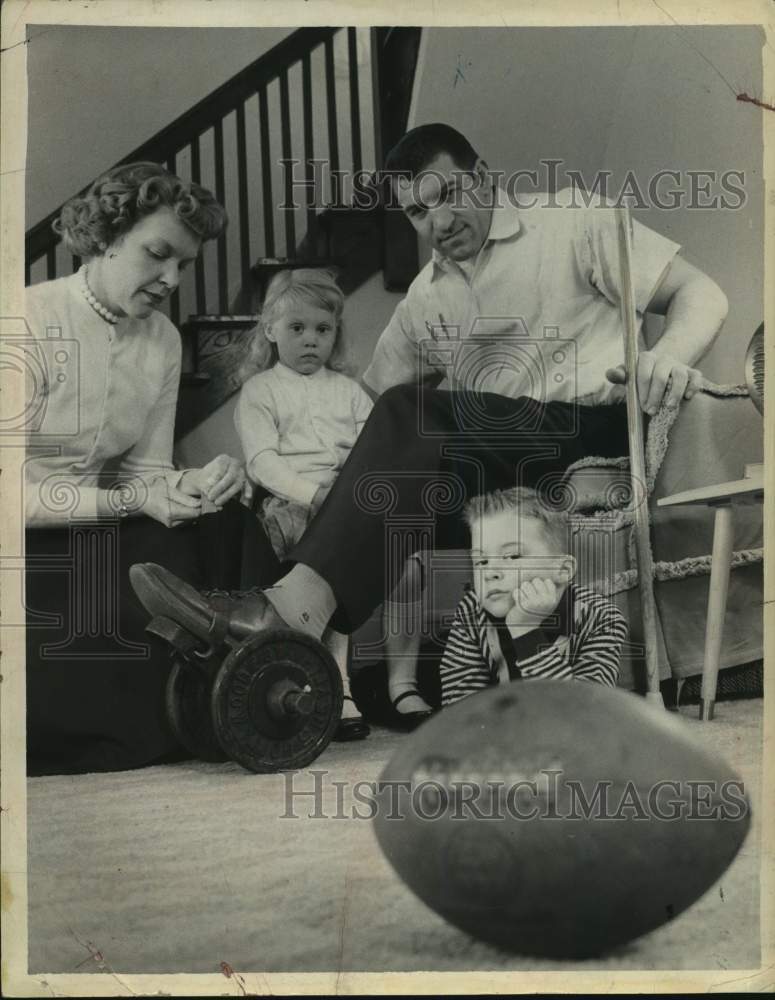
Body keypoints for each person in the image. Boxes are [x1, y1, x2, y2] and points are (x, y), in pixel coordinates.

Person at [129, 123, 729, 711]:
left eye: (447, 195)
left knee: (409, 414)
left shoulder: (574, 220)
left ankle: (281, 617)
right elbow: (369, 412)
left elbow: (702, 293)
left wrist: (665, 359)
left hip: (582, 432)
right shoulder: (426, 295)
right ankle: (278, 660)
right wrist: (278, 470)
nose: (437, 223)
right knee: (360, 478)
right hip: (490, 462)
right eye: (417, 212)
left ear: (484, 178)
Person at [25, 161, 245, 775]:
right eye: (158, 254)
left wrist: (189, 484)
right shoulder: (25, 320)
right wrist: (129, 503)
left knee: (231, 522)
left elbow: (145, 472)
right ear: (105, 236)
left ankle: (237, 695)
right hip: (22, 541)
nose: (172, 278)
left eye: (184, 264)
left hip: (95, 531)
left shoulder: (165, 342)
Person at [235, 268, 374, 738]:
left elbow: (372, 449)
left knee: (351, 570)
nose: (310, 340)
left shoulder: (349, 392)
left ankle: (340, 683)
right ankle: (304, 677)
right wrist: (313, 495)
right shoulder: (261, 391)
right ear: (270, 330)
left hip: (345, 501)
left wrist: (346, 493)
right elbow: (262, 461)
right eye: (297, 328)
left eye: (323, 329)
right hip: (288, 504)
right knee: (317, 569)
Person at [439, 487, 626, 707]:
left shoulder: (601, 618)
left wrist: (526, 631)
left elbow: (583, 715)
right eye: (481, 562)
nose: (490, 573)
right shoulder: (471, 611)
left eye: (511, 556)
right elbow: (460, 712)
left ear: (563, 570)